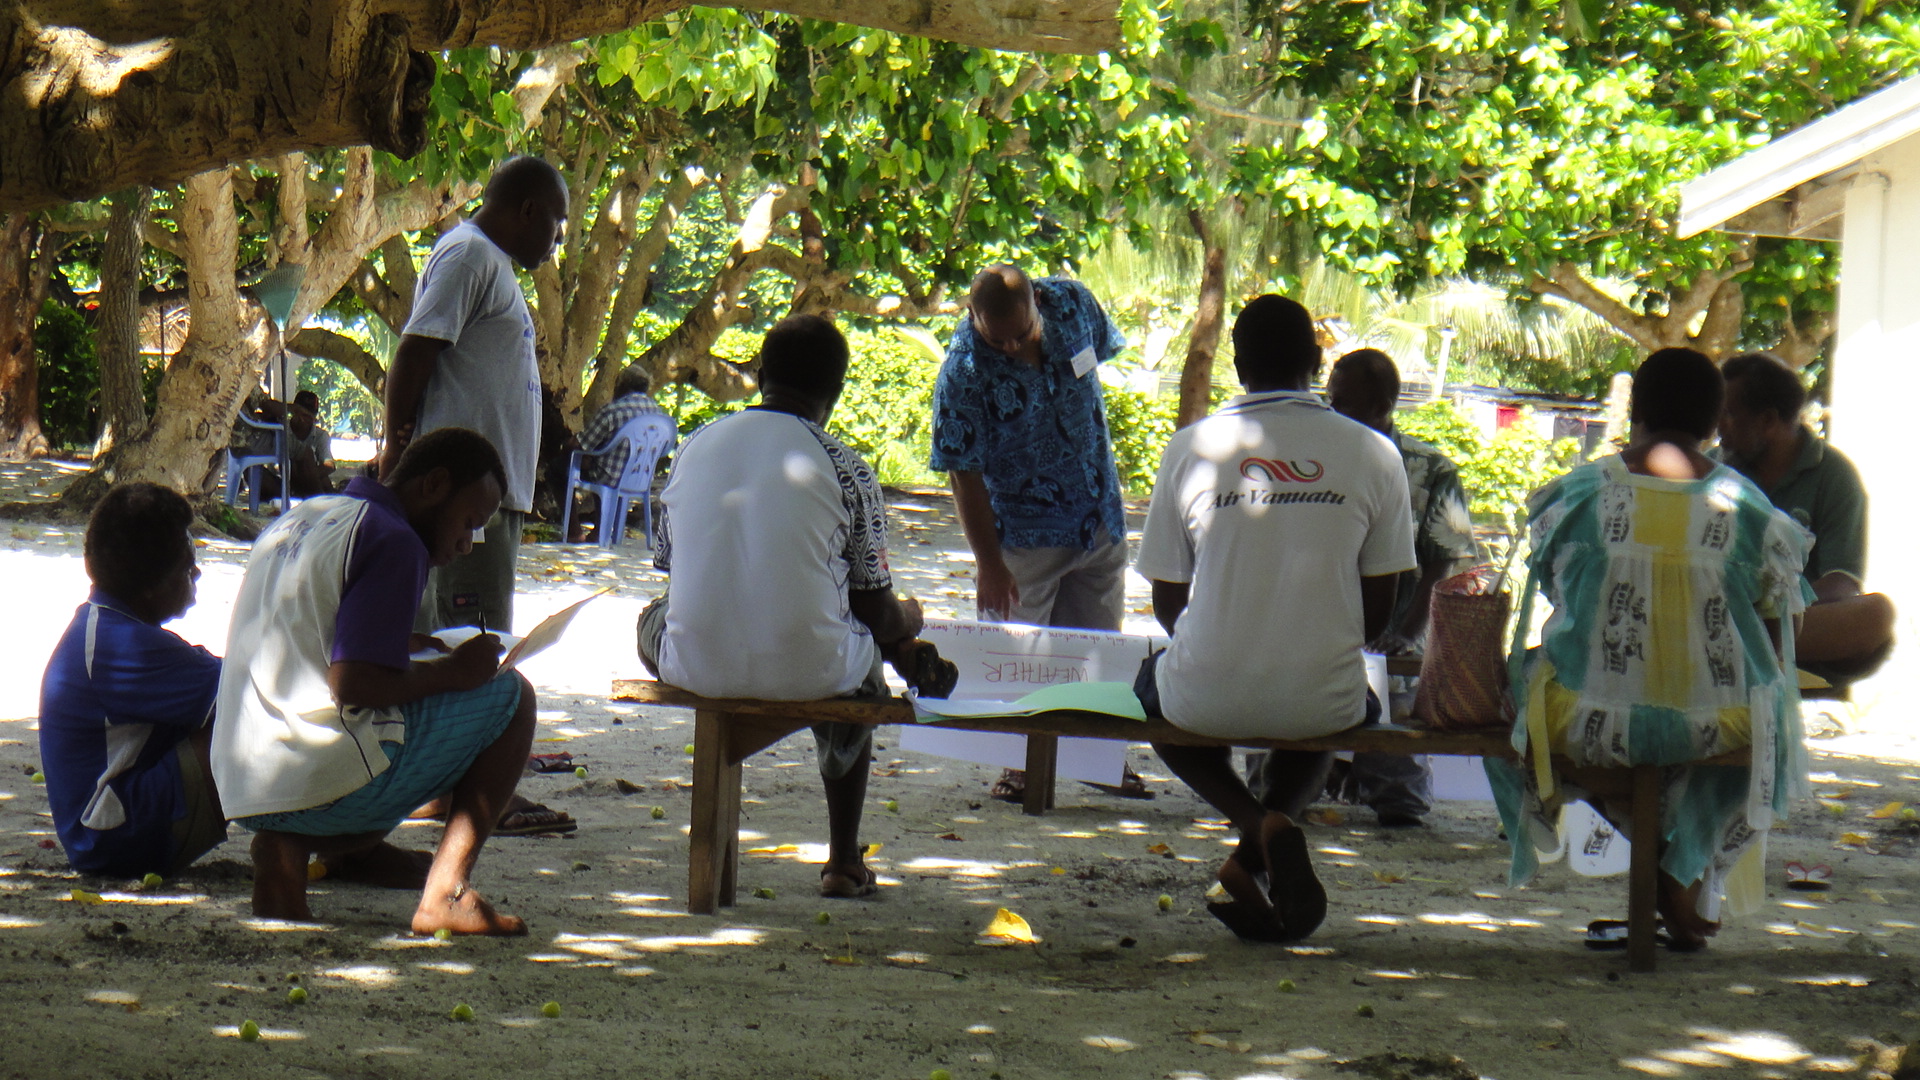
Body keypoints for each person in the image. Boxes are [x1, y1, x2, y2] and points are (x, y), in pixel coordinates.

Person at [1489, 348, 1811, 952]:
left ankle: (1654, 849)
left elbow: (1565, 598)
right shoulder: (1752, 510)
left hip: (1589, 718)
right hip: (1719, 724)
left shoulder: (1576, 494)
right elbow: (1775, 630)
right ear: (1716, 421)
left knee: (1521, 687)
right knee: (1765, 704)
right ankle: (1682, 862)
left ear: (1634, 410)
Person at [1133, 295, 1416, 942]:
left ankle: (1252, 829)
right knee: (1341, 705)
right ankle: (1269, 827)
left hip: (1207, 689)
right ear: (1317, 361)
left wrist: (1229, 642)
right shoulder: (1375, 454)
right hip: (1322, 694)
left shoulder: (1191, 447)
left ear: (1237, 366)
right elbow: (1377, 615)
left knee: (1151, 698)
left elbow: (1168, 603)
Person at [638, 316, 941, 899]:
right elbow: (877, 613)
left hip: (695, 661)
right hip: (815, 668)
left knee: (653, 614)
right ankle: (843, 859)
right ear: (837, 389)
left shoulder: (695, 447)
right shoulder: (846, 466)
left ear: (759, 373)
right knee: (860, 652)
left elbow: (672, 566)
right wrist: (910, 621)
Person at [213, 428, 537, 935]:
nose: (467, 544)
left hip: (245, 784)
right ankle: (446, 893)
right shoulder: (394, 539)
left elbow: (315, 633)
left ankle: (292, 845)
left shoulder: (308, 516)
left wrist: (407, 644)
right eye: (469, 523)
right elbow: (354, 684)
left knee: (395, 702)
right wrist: (455, 672)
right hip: (314, 780)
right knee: (514, 699)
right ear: (434, 486)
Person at [929, 264, 1132, 798]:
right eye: (1000, 339)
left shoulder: (1073, 305)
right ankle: (1018, 765)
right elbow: (963, 477)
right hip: (1023, 535)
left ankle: (1096, 759)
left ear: (1038, 303)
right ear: (972, 317)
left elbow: (1101, 358)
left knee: (1096, 650)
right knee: (1017, 660)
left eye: (1023, 333)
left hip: (1098, 516)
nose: (1014, 347)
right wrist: (989, 565)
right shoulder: (964, 373)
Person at [380, 156, 569, 633]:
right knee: (466, 639)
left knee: (477, 631)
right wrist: (395, 452)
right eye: (558, 222)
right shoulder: (471, 254)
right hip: (463, 499)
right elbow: (416, 351)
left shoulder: (492, 263)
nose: (560, 239)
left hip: (486, 499)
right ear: (528, 210)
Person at [1323, 348, 1479, 827]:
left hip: (1394, 635)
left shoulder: (1429, 469)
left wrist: (1407, 635)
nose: (1333, 412)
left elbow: (1445, 559)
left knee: (1401, 803)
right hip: (1322, 629)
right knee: (1281, 788)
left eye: (1345, 402)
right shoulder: (1318, 458)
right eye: (1331, 399)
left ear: (1383, 407)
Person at [38, 483, 225, 878]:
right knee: (252, 715)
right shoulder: (120, 644)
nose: (197, 571)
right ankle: (308, 847)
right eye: (186, 565)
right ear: (151, 587)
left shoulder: (104, 624)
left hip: (104, 830)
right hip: (112, 837)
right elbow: (243, 685)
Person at [1716, 351, 1893, 681]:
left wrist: (1778, 609)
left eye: (1728, 415)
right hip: (1718, 611)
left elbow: (1843, 581)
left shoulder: (1834, 474)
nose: (1718, 427)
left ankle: (1748, 642)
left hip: (1790, 621)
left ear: (1768, 420)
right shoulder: (1713, 469)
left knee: (1878, 614)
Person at [568, 366, 670, 542]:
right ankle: (601, 530)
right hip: (641, 478)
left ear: (622, 385)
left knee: (561, 468)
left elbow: (582, 444)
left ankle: (574, 532)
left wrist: (567, 443)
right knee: (598, 462)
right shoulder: (658, 413)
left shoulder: (613, 411)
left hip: (609, 476)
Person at [285, 390, 338, 497]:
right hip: (285, 480)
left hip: (308, 478)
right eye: (300, 413)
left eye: (308, 415)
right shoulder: (282, 430)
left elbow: (329, 465)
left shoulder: (321, 435)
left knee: (323, 478)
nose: (302, 419)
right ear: (294, 411)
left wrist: (308, 475)